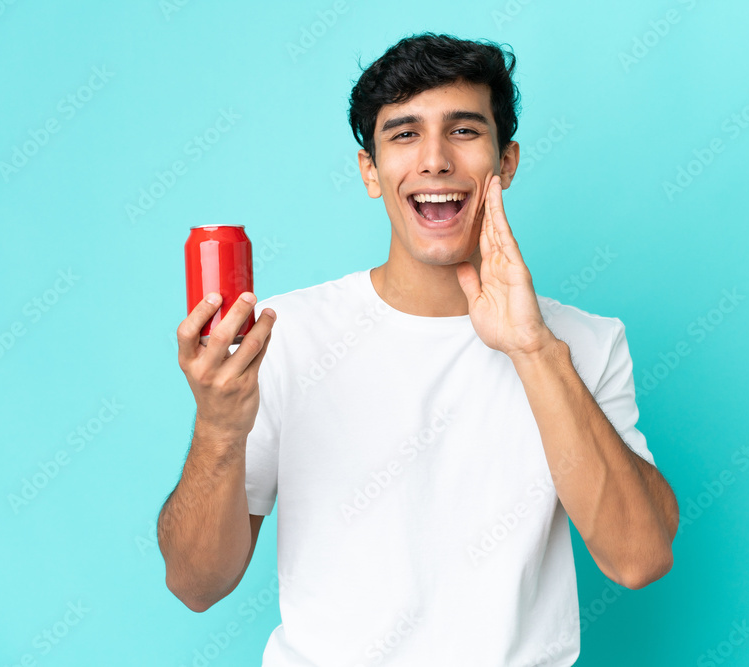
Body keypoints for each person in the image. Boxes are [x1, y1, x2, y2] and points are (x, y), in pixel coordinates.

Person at [158, 32, 679, 667]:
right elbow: (196, 584)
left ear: (505, 162)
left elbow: (639, 558)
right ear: (370, 171)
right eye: (404, 134)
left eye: (463, 131)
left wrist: (534, 349)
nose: (434, 160)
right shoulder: (284, 337)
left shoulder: (587, 343)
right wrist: (217, 427)